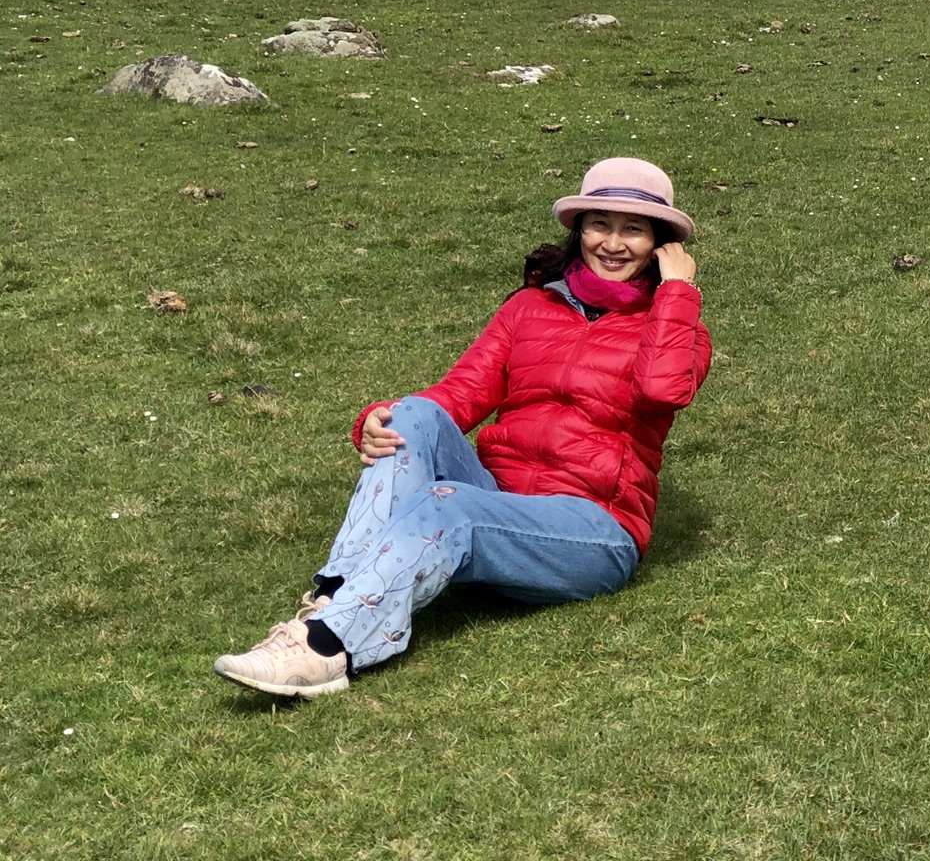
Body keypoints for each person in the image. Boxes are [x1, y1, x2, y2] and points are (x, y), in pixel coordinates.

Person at [214, 157, 711, 697]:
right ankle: (333, 602)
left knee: (450, 501)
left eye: (633, 230)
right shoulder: (529, 308)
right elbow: (460, 394)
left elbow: (663, 390)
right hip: (498, 501)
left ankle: (328, 651)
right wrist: (379, 420)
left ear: (661, 245)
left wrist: (676, 295)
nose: (613, 243)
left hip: (591, 532)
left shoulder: (678, 330)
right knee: (412, 414)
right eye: (600, 225)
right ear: (579, 230)